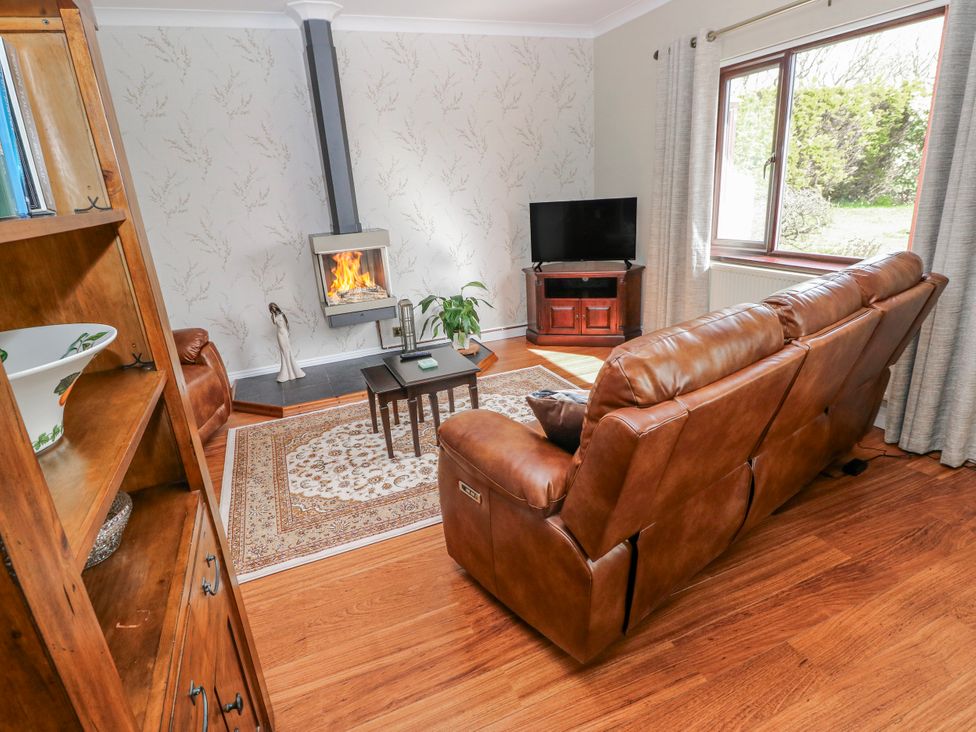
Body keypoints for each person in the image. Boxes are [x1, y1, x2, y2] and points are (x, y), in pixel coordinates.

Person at [269, 302, 305, 382]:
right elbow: (274, 322)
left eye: (273, 307)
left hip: (284, 333)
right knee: (284, 352)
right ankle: (287, 373)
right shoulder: (273, 316)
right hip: (279, 334)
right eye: (271, 308)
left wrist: (287, 333)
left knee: (288, 350)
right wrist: (273, 314)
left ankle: (293, 372)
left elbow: (286, 324)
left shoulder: (282, 314)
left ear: (276, 307)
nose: (273, 309)